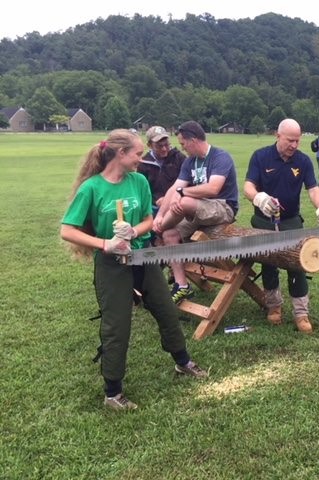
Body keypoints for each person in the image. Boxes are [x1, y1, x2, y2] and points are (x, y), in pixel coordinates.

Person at [60, 129, 207, 411]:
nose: (142, 159)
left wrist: (133, 231)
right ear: (120, 154)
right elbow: (68, 230)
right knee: (117, 326)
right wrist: (107, 244)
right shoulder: (92, 188)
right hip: (111, 265)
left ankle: (183, 362)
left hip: (142, 257)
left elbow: (149, 220)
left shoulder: (139, 181)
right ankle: (113, 393)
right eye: (138, 154)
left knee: (166, 310)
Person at [244, 118, 319, 334]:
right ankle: (274, 306)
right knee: (268, 263)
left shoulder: (303, 161)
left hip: (291, 219)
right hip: (263, 220)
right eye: (290, 140)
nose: (294, 145)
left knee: (298, 263)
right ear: (278, 136)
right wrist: (258, 198)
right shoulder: (260, 156)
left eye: (297, 141)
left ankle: (301, 313)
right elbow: (248, 186)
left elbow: (313, 189)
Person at [153, 121, 239, 304]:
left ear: (193, 140)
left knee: (182, 203)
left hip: (223, 207)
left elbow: (213, 189)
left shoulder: (220, 156)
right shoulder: (190, 162)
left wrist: (182, 193)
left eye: (183, 144)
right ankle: (181, 285)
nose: (182, 148)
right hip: (199, 208)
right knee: (169, 234)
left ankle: (157, 229)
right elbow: (173, 189)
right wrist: (160, 215)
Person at [138, 126, 186, 217]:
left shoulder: (179, 158)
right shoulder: (143, 164)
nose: (164, 149)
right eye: (159, 146)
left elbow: (188, 182)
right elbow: (142, 191)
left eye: (166, 145)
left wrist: (169, 198)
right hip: (154, 206)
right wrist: (156, 201)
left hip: (177, 201)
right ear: (149, 145)